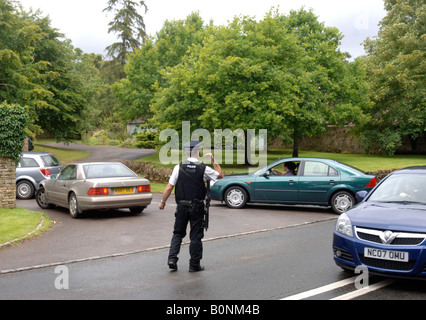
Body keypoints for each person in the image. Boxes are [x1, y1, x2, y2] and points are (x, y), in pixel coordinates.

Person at [158, 141, 224, 272]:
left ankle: (172, 259)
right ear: (197, 152)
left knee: (177, 233)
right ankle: (194, 265)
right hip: (197, 206)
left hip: (181, 206)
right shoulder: (203, 168)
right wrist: (213, 160)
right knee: (195, 236)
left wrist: (162, 202)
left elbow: (169, 186)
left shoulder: (179, 167)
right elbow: (220, 175)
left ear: (186, 153)